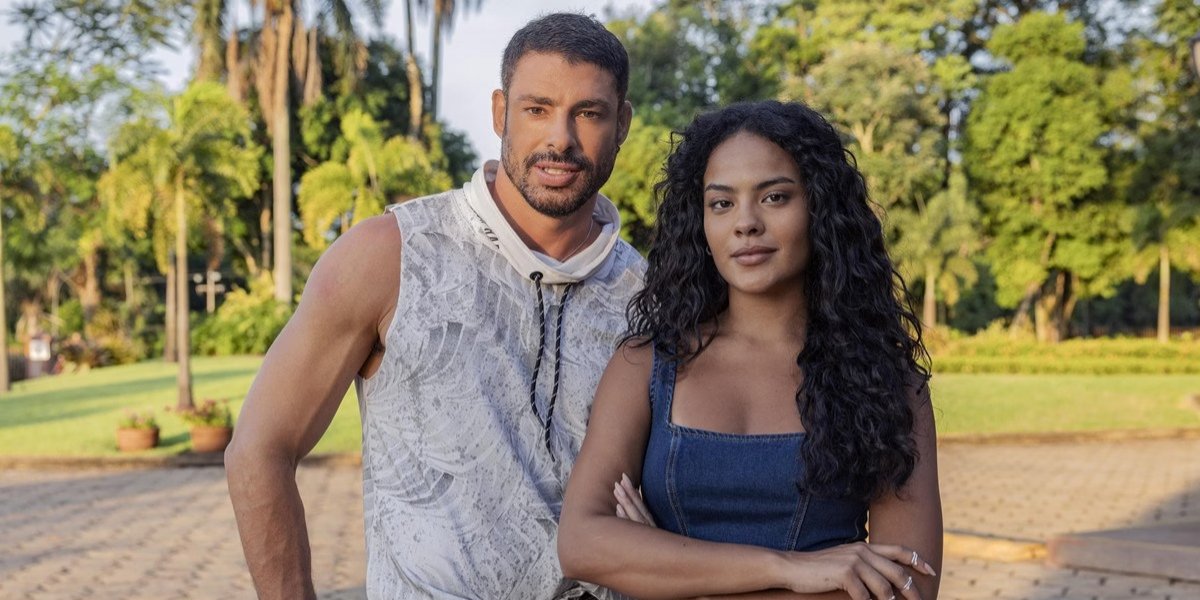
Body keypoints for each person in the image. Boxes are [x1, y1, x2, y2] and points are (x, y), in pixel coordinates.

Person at [225, 13, 642, 599]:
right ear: (500, 113)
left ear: (622, 122)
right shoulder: (391, 254)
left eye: (589, 113)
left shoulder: (650, 297)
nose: (560, 139)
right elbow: (260, 449)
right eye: (537, 109)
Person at [558, 100, 943, 600]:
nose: (745, 224)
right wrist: (790, 569)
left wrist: (664, 569)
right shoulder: (646, 364)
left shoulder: (888, 385)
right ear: (701, 222)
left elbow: (905, 589)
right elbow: (582, 544)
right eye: (721, 203)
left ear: (820, 209)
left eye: (775, 197)